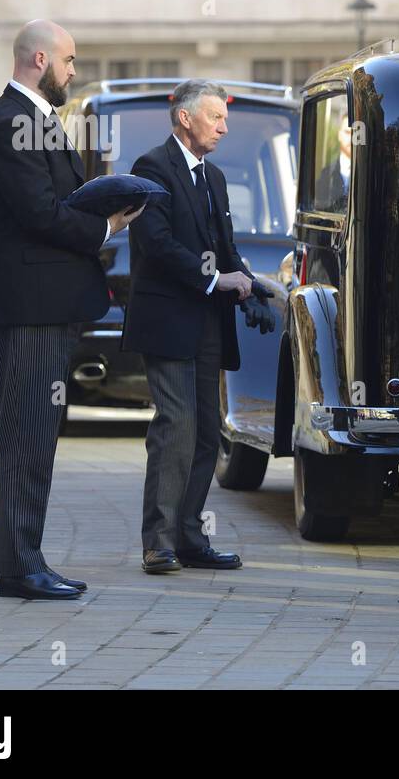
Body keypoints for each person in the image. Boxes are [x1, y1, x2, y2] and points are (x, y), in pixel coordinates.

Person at [0, 19, 144, 600]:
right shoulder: (12, 122)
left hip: (46, 307)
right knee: (25, 436)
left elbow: (54, 202)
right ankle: (20, 569)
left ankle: (27, 561)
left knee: (39, 434)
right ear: (38, 58)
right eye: (68, 61)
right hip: (26, 311)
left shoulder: (36, 121)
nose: (74, 72)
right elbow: (42, 214)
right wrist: (105, 225)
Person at [123, 79, 260, 574]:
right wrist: (215, 280)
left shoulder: (215, 177)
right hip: (167, 321)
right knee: (176, 426)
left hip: (207, 324)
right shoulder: (152, 168)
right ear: (185, 118)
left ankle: (188, 537)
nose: (224, 126)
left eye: (224, 117)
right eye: (215, 117)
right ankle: (157, 543)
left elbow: (224, 247)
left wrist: (249, 284)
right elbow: (157, 246)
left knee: (206, 433)